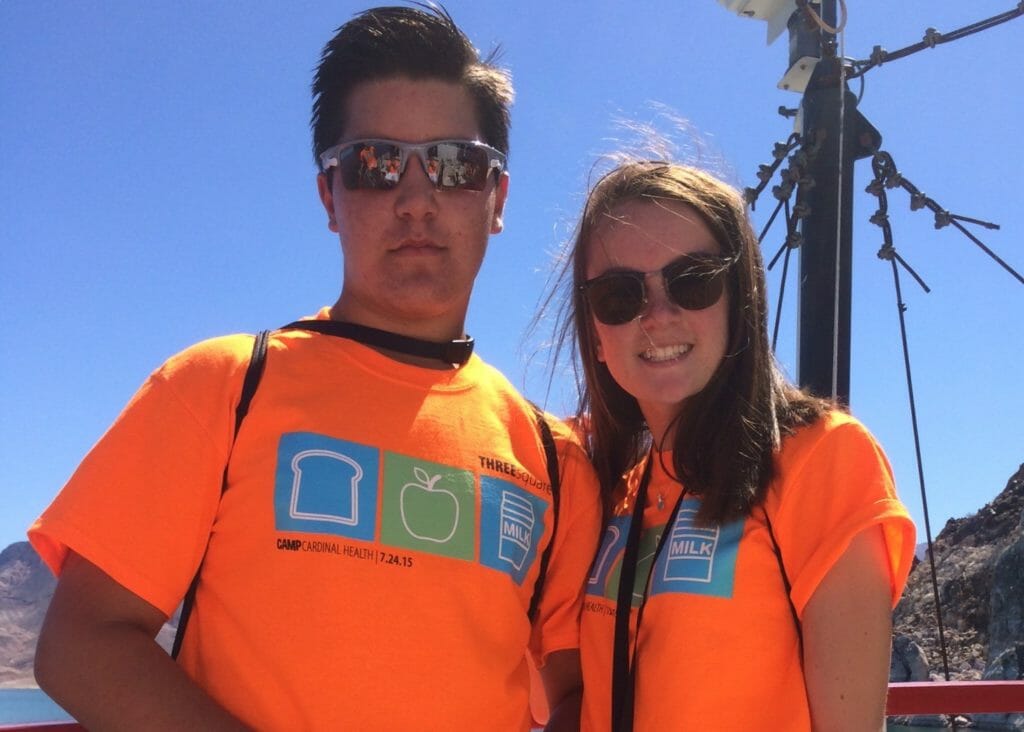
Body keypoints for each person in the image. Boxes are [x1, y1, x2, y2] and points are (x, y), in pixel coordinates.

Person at [28, 6, 601, 731]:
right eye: (376, 164)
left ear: (497, 199)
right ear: (330, 195)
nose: (417, 199)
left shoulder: (555, 460)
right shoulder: (223, 387)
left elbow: (575, 694)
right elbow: (81, 644)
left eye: (455, 165)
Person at [552, 159, 916, 730]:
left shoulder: (823, 457)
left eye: (693, 280)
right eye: (620, 296)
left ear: (739, 300)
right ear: (596, 335)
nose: (658, 316)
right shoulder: (612, 487)